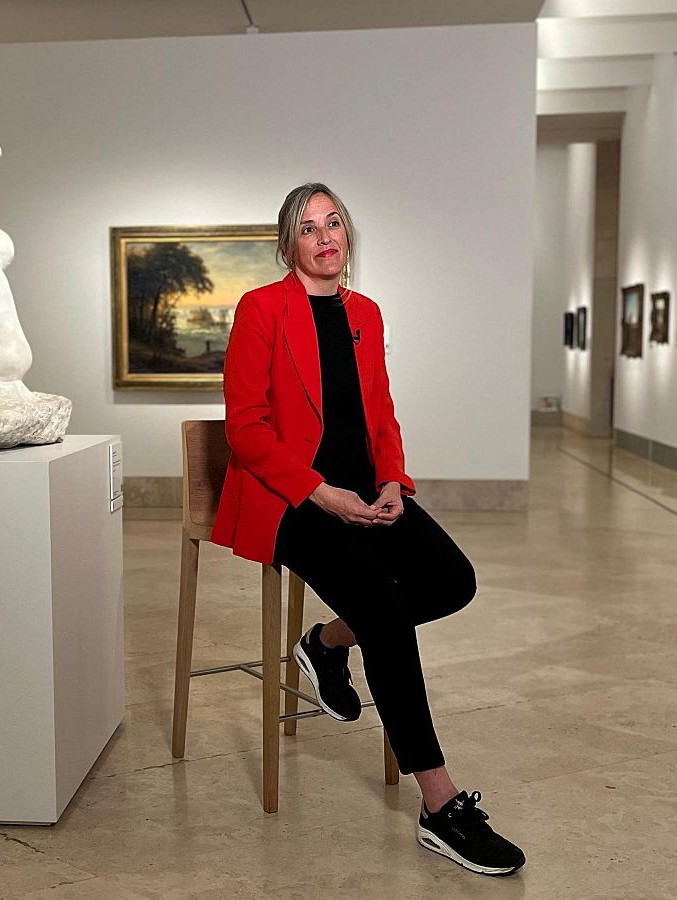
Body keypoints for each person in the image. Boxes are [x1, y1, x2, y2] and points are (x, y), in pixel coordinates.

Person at [210, 183, 526, 877]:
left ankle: (325, 644)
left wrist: (391, 484)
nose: (325, 238)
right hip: (293, 499)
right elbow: (245, 428)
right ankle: (441, 807)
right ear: (288, 243)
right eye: (308, 228)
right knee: (384, 608)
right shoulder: (261, 308)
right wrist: (322, 494)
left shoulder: (366, 313)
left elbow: (379, 411)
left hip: (366, 493)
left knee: (452, 580)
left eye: (334, 224)